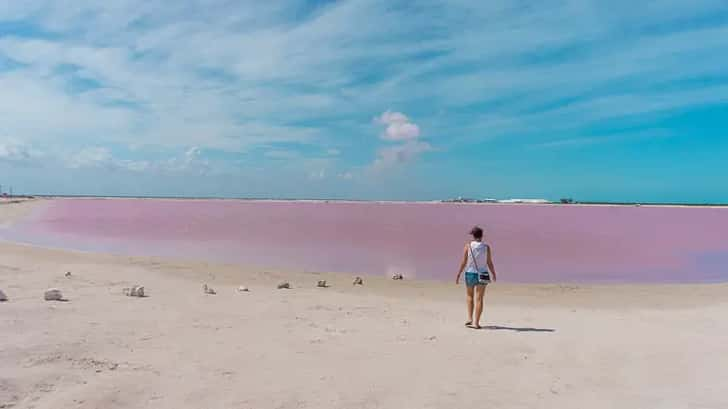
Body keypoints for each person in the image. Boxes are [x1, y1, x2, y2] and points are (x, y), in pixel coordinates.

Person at [455, 226, 497, 329]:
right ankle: (476, 323)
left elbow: (464, 262)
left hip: (470, 273)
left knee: (469, 296)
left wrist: (459, 273)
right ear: (482, 236)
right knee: (479, 299)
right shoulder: (486, 247)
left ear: (473, 235)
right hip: (483, 274)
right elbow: (489, 262)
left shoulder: (468, 246)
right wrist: (493, 273)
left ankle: (469, 318)